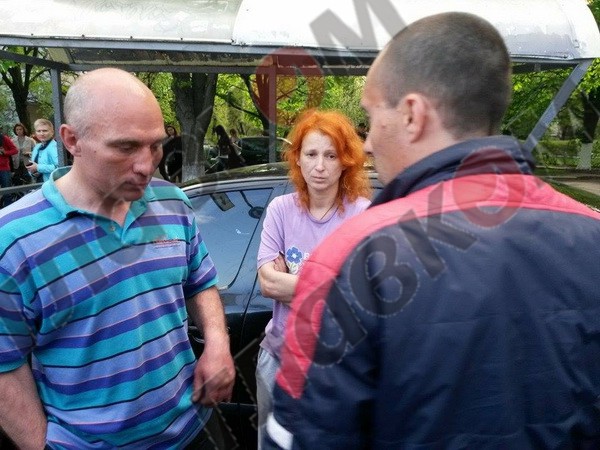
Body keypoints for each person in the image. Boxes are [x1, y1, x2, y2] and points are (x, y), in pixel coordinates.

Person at [265, 12, 600, 449]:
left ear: (412, 115)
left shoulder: (355, 253)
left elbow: (305, 438)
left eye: (372, 114)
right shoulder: (592, 233)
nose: (368, 144)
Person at [0, 68, 235, 449]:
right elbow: (4, 364)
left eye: (155, 145)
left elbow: (200, 281)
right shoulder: (12, 239)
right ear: (72, 140)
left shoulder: (172, 202)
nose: (146, 165)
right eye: (126, 147)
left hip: (195, 429)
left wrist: (218, 343)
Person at [256, 108, 371, 447]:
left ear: (345, 161)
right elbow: (268, 284)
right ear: (298, 158)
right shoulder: (280, 210)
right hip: (278, 357)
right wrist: (333, 285)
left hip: (335, 365)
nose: (320, 166)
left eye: (330, 155)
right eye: (311, 154)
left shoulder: (361, 214)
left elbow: (359, 296)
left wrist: (293, 285)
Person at [28, 118, 59, 182]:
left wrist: (38, 167)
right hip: (39, 183)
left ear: (52, 132)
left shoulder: (55, 146)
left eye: (45, 131)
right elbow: (33, 167)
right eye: (38, 131)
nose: (41, 134)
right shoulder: (37, 147)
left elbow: (60, 168)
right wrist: (33, 173)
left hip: (53, 184)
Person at [0, 130, 18, 208]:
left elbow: (15, 150)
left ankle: (8, 210)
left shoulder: (3, 138)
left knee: (7, 192)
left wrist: (5, 152)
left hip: (4, 169)